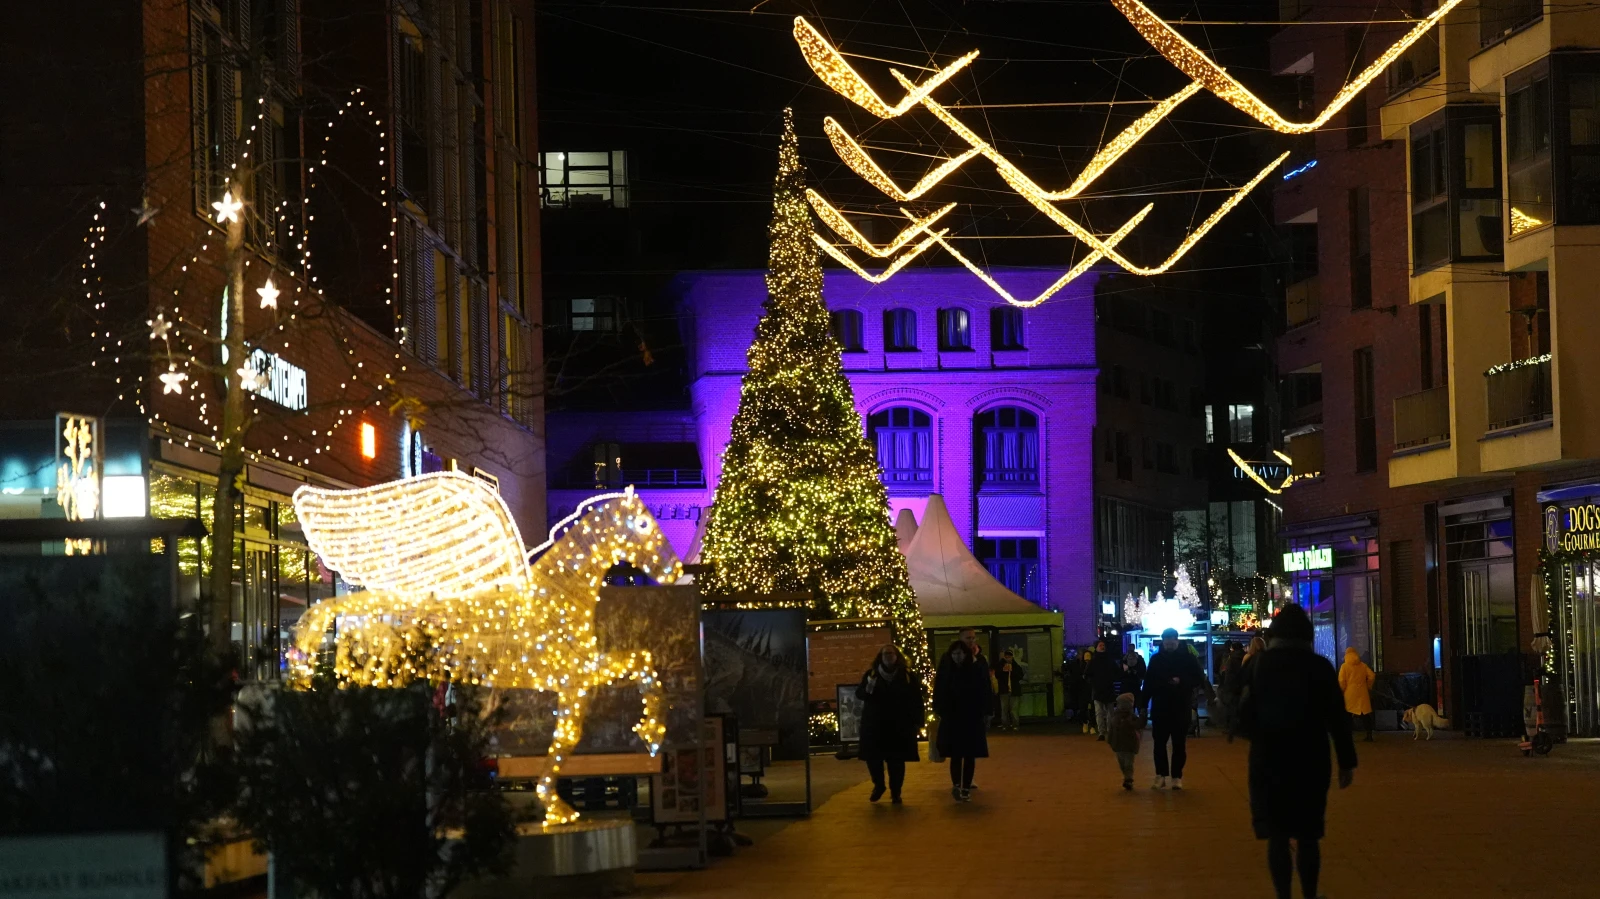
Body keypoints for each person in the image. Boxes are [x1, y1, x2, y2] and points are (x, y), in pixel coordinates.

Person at [1240, 604, 1357, 899]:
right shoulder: (1319, 666)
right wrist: (1346, 761)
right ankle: (1309, 893)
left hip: (1268, 758)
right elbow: (1337, 718)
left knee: (1277, 835)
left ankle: (1283, 895)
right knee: (1308, 834)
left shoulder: (1260, 665)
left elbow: (1244, 716)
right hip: (1310, 758)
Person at [856, 644, 921, 804]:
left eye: (891, 654)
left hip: (899, 726)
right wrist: (868, 688)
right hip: (875, 725)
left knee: (896, 761)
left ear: (897, 656)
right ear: (880, 656)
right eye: (885, 654)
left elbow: (916, 699)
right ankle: (879, 785)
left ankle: (896, 792)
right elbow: (860, 694)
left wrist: (918, 721)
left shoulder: (907, 675)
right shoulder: (872, 675)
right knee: (873, 759)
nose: (888, 657)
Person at [933, 628, 991, 801]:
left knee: (969, 752)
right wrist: (940, 709)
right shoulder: (948, 659)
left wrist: (986, 710)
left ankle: (965, 785)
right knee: (956, 753)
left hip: (971, 715)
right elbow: (941, 685)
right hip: (953, 715)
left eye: (973, 638)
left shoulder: (978, 660)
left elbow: (984, 685)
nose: (971, 641)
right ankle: (958, 785)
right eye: (968, 638)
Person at [1145, 627, 1206, 789]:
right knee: (1159, 743)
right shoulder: (1156, 659)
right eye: (1167, 640)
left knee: (1179, 743)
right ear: (1163, 641)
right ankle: (1161, 774)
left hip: (1180, 705)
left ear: (1177, 641)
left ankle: (1176, 776)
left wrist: (1182, 682)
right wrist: (1143, 704)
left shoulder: (1188, 659)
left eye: (1172, 639)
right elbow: (1149, 683)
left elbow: (1198, 678)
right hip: (1161, 706)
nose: (1169, 642)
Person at [1338, 646, 1377, 742]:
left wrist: (1341, 691)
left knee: (1348, 715)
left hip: (1350, 694)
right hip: (1362, 693)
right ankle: (1369, 735)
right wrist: (1368, 685)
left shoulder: (1344, 666)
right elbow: (1372, 676)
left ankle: (1347, 735)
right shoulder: (1363, 665)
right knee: (1365, 715)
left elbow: (1342, 681)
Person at [1086, 639, 1123, 740]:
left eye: (1103, 645)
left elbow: (1117, 672)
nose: (1103, 647)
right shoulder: (1095, 661)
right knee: (1100, 712)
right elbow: (1087, 675)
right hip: (1099, 689)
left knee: (1109, 712)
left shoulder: (1107, 660)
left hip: (1106, 689)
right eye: (1100, 645)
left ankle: (1108, 731)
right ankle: (1102, 732)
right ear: (1097, 647)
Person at [1106, 692, 1142, 790]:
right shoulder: (1116, 717)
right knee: (1122, 763)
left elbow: (1138, 725)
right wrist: (1110, 740)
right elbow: (1112, 729)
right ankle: (1127, 777)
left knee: (1128, 763)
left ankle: (1128, 779)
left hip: (1129, 745)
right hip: (1119, 744)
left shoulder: (1131, 717)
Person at [993, 648, 1027, 731]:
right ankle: (1005, 724)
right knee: (1004, 709)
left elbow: (1020, 676)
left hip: (1014, 690)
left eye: (1009, 656)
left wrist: (1012, 670)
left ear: (1012, 657)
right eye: (1006, 656)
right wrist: (1004, 670)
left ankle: (1015, 724)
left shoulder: (1016, 666)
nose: (1008, 658)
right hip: (1004, 690)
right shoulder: (1000, 665)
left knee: (1014, 709)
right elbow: (997, 675)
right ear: (1004, 657)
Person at [1122, 646, 1148, 723]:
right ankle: (1139, 720)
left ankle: (1130, 719)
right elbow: (1143, 671)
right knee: (1137, 702)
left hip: (1129, 684)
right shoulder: (1139, 658)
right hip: (1134, 684)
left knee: (1130, 703)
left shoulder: (1124, 659)